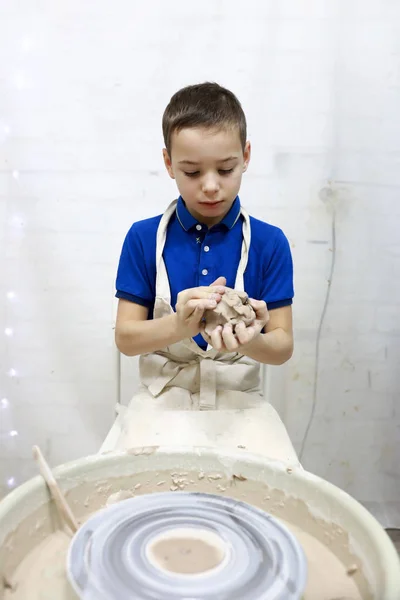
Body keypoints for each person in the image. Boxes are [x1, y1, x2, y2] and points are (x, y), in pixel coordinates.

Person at [101, 82, 298, 464]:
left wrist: (247, 340)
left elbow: (282, 347)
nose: (210, 186)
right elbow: (126, 339)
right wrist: (180, 326)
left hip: (240, 404)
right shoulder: (144, 238)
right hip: (161, 403)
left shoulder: (269, 242)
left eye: (225, 169)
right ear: (168, 163)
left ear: (246, 155)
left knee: (274, 503)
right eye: (192, 172)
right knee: (129, 498)